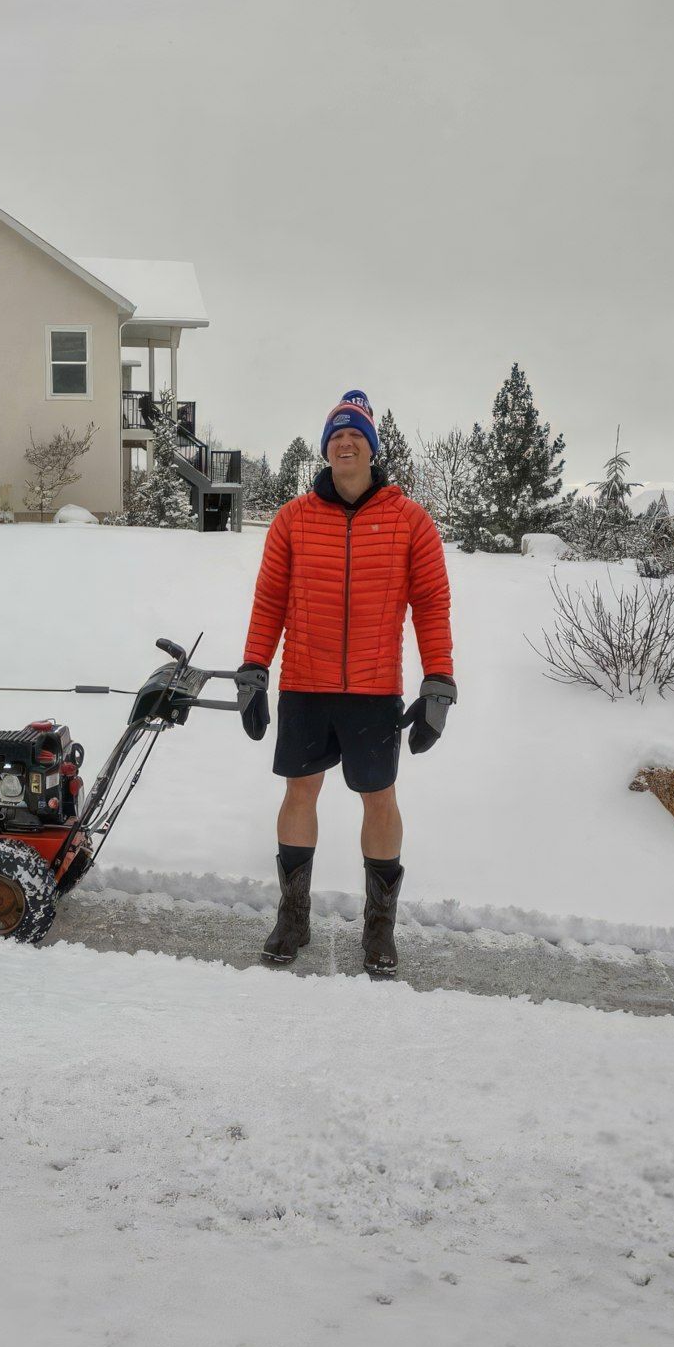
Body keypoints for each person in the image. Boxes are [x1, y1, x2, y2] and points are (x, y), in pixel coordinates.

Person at [237, 390, 456, 978]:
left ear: (372, 447)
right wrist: (255, 668)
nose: (346, 442)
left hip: (373, 689)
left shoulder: (410, 520)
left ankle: (379, 928)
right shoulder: (293, 518)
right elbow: (269, 601)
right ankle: (293, 914)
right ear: (327, 450)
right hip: (305, 686)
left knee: (379, 800)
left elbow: (432, 604)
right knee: (298, 794)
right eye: (336, 434)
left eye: (356, 433)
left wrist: (438, 683)